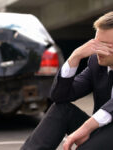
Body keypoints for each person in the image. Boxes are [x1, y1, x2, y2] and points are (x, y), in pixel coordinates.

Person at [20, 11, 113, 150]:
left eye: (105, 45)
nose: (97, 50)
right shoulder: (97, 64)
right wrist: (74, 58)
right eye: (96, 43)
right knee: (61, 109)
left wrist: (84, 129)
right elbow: (60, 96)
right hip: (101, 129)